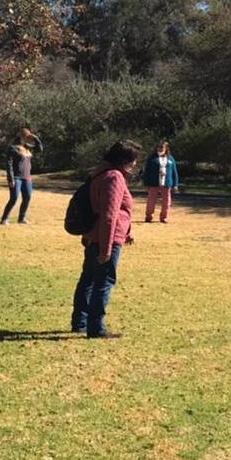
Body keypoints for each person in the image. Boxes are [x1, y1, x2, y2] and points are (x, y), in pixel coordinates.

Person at [71, 140, 140, 339]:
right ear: (125, 160)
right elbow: (109, 214)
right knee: (104, 282)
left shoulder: (99, 173)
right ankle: (96, 328)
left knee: (89, 279)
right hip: (105, 237)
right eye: (134, 160)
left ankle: (80, 322)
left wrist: (126, 231)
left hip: (95, 235)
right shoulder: (114, 178)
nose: (135, 164)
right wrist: (106, 248)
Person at [0, 128, 42, 225]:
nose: (28, 140)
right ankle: (4, 219)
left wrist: (35, 138)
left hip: (27, 178)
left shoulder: (27, 147)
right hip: (16, 177)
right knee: (14, 198)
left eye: (29, 138)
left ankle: (22, 218)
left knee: (27, 198)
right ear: (21, 137)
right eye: (27, 138)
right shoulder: (13, 148)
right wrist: (10, 179)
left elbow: (40, 149)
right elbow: (9, 164)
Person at [141, 140, 180, 224]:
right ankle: (148, 217)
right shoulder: (152, 158)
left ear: (166, 148)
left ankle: (163, 218)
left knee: (166, 202)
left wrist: (175, 184)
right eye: (158, 147)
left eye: (162, 147)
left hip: (166, 183)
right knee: (151, 201)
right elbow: (146, 171)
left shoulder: (170, 158)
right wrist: (146, 183)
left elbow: (174, 172)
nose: (160, 148)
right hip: (154, 183)